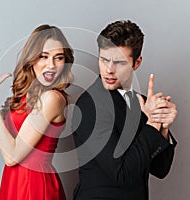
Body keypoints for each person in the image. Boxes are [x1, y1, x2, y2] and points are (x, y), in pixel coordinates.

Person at [72, 20, 177, 200]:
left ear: (137, 63)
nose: (109, 70)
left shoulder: (142, 102)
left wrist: (163, 126)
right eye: (104, 60)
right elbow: (122, 173)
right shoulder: (89, 106)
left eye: (119, 62)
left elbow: (160, 169)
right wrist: (152, 124)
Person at [0, 24, 74, 200]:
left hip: (35, 185)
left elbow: (12, 157)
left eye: (58, 58)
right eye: (44, 56)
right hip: (13, 181)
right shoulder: (23, 97)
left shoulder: (53, 99)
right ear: (32, 59)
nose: (51, 65)